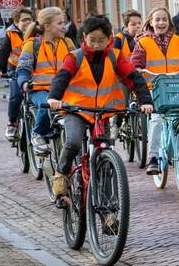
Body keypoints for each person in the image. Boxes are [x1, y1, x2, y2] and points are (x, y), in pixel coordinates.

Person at [47, 14, 154, 198]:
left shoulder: (115, 56)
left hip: (102, 112)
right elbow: (61, 77)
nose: (96, 45)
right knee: (72, 142)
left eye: (101, 40)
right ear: (84, 38)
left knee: (105, 152)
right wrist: (53, 98)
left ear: (109, 39)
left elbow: (133, 78)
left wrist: (145, 101)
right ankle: (61, 173)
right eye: (92, 40)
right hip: (77, 110)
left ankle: (109, 210)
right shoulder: (75, 57)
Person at [130, 6, 179, 175]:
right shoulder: (143, 42)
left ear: (169, 22)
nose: (161, 22)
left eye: (164, 19)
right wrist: (137, 68)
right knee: (157, 119)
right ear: (151, 23)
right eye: (157, 19)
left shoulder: (178, 41)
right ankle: (153, 158)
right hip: (154, 88)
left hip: (175, 87)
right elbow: (136, 61)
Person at [16, 6, 76, 155]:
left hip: (64, 89)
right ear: (47, 27)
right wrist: (24, 83)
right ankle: (38, 134)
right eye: (60, 23)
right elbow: (23, 68)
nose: (64, 26)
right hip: (40, 89)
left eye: (64, 22)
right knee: (46, 106)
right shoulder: (32, 45)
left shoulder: (68, 43)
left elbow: (80, 65)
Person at [0, 6, 34, 141]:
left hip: (34, 70)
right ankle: (12, 123)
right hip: (15, 70)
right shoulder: (10, 34)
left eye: (30, 19)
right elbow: (2, 51)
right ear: (16, 23)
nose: (28, 23)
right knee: (16, 94)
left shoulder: (38, 33)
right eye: (24, 20)